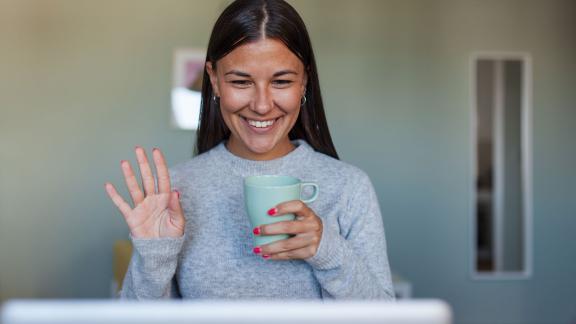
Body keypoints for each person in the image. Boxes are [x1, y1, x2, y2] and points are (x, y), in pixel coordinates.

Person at [105, 0, 395, 300]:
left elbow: (385, 318)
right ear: (215, 80)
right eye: (241, 81)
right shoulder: (176, 193)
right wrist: (154, 258)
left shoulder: (349, 187)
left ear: (304, 81)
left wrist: (327, 250)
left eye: (281, 81)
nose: (261, 105)